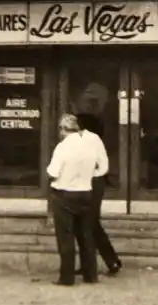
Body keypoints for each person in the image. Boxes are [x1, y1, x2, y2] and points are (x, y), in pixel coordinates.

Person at [45, 114, 100, 286]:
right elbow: (96, 168)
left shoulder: (62, 148)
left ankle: (67, 276)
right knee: (86, 235)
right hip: (85, 192)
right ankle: (90, 274)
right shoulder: (89, 146)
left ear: (62, 129)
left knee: (66, 236)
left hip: (64, 193)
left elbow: (52, 172)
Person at [75, 110, 122, 276]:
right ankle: (104, 261)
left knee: (89, 223)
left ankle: (108, 261)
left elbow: (102, 165)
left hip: (93, 182)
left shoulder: (92, 140)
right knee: (87, 224)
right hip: (83, 182)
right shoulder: (78, 139)